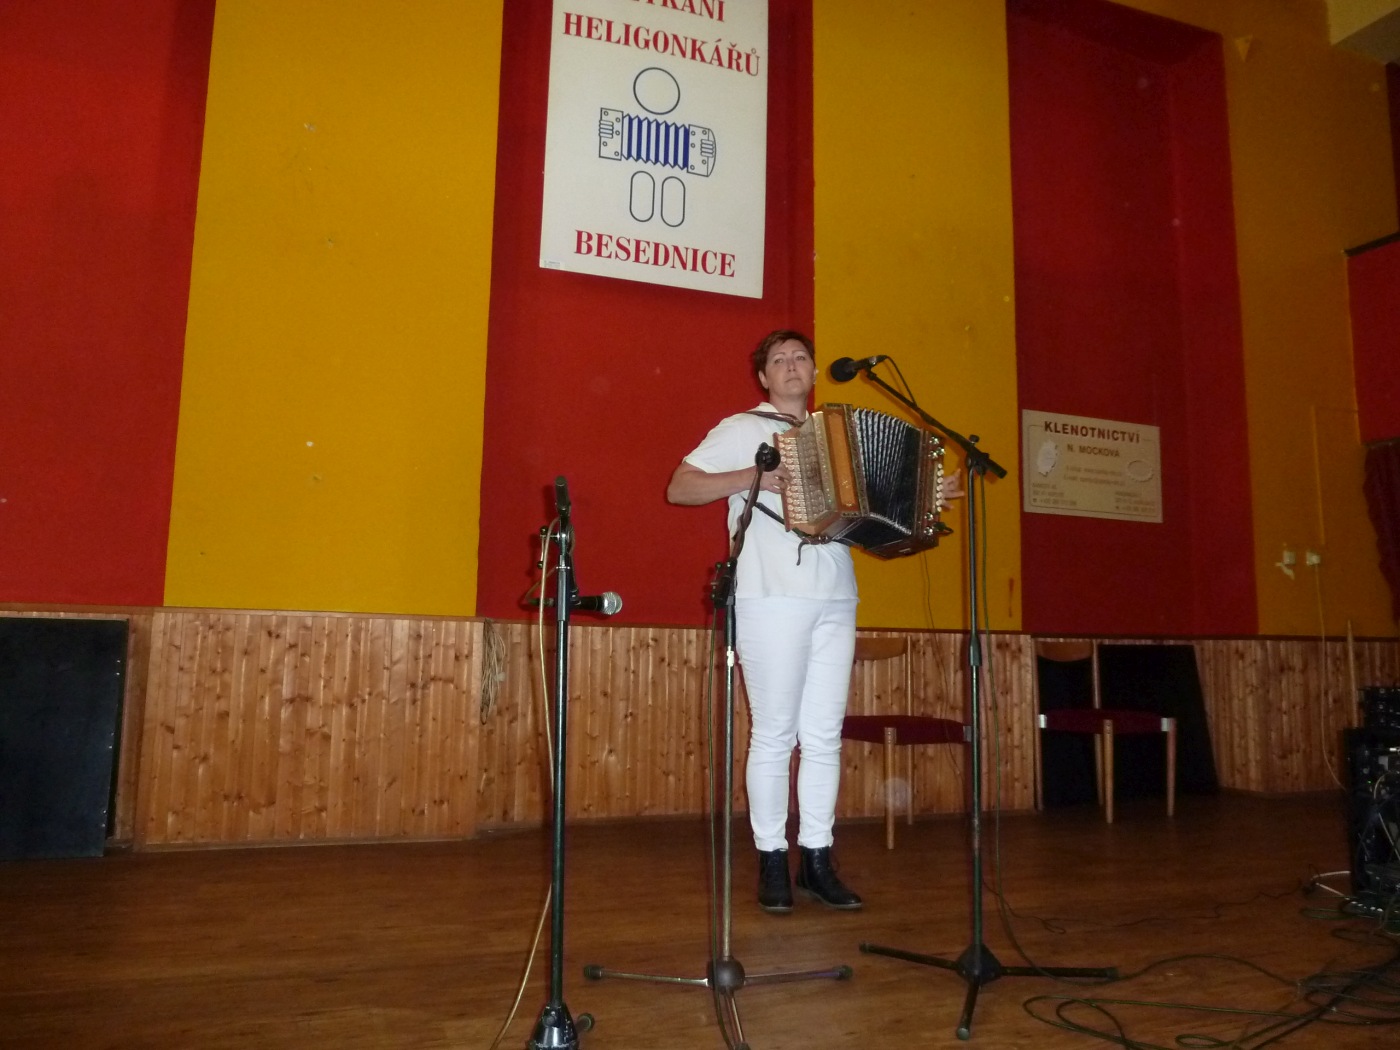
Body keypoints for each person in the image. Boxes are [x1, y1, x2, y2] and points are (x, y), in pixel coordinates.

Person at [666, 329, 863, 913]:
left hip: (836, 594)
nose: (791, 366)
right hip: (770, 594)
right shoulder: (742, 429)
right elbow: (680, 488)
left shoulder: (837, 438)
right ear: (763, 377)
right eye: (779, 360)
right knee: (775, 733)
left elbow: (869, 508)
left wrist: (922, 502)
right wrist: (753, 478)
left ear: (815, 370)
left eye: (800, 357)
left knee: (823, 736)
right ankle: (772, 858)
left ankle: (818, 860)